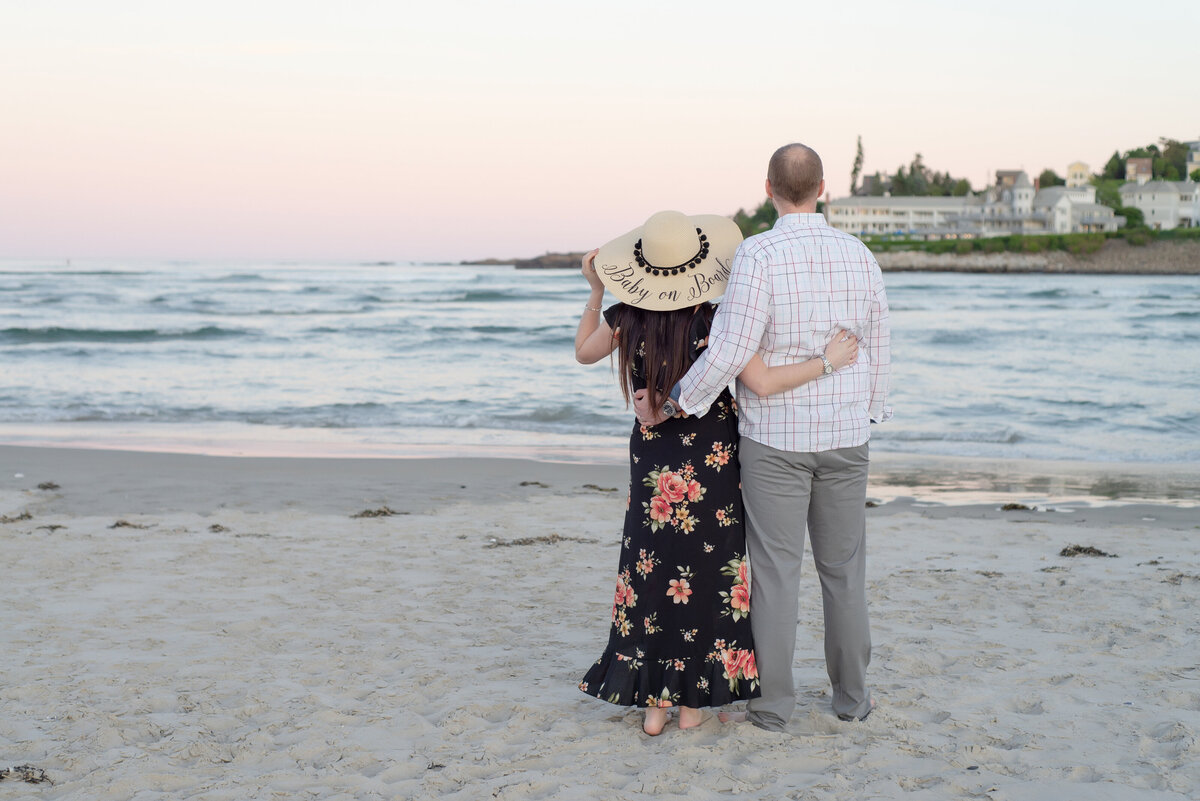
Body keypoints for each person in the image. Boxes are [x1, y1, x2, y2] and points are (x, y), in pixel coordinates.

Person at [635, 144, 892, 730]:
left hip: (776, 440)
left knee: (775, 573)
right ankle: (852, 700)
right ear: (823, 187)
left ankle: (774, 708)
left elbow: (729, 347)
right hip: (846, 437)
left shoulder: (758, 254)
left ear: (769, 188)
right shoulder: (859, 254)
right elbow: (878, 343)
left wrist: (679, 400)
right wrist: (871, 409)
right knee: (844, 571)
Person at [574, 209, 860, 735]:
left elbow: (583, 352)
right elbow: (761, 380)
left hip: (655, 465)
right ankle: (692, 705)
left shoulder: (625, 316)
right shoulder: (717, 320)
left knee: (652, 569)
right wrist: (827, 361)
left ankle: (654, 706)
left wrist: (595, 291)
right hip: (713, 461)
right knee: (711, 574)